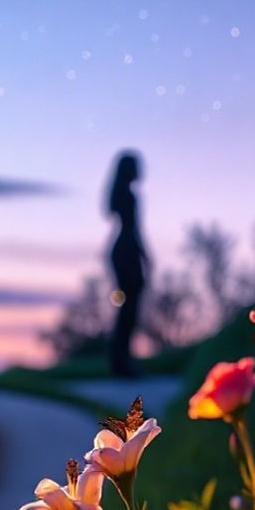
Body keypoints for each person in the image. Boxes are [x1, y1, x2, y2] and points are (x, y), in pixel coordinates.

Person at [106, 151, 149, 377]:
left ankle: (121, 361)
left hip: (122, 252)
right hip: (126, 253)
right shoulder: (128, 196)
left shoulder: (124, 194)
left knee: (127, 309)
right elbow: (134, 229)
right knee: (128, 309)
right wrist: (144, 256)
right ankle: (121, 363)